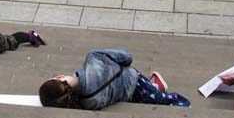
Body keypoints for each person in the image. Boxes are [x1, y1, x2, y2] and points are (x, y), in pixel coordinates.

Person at [38, 49, 190, 109]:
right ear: (60, 77)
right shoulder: (93, 59)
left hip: (125, 97)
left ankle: (155, 87)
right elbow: (126, 56)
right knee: (165, 101)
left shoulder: (86, 104)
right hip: (135, 83)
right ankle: (158, 89)